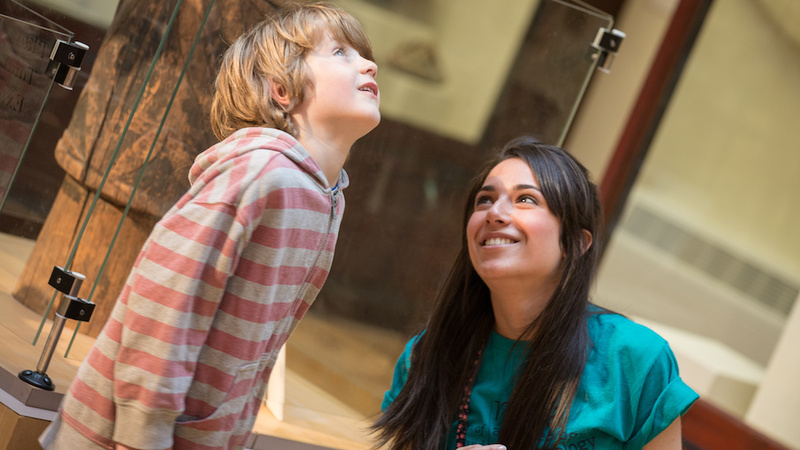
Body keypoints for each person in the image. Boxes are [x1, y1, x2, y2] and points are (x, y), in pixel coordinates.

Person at [40, 3, 380, 449]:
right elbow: (163, 300)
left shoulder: (324, 199)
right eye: (341, 53)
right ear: (282, 88)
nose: (369, 63)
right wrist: (143, 433)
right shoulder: (260, 174)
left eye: (362, 54)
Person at [374, 137, 698, 449]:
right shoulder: (427, 354)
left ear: (576, 243)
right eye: (484, 199)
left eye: (526, 199)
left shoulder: (634, 359)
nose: (495, 213)